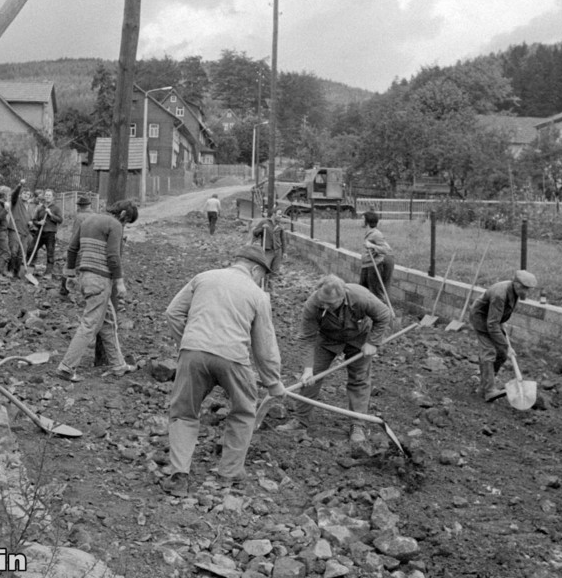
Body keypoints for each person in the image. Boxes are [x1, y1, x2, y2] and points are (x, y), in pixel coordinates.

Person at [160, 245, 285, 496]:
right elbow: (264, 345)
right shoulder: (257, 294)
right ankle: (228, 474)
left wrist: (190, 343)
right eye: (262, 275)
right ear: (254, 269)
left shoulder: (203, 278)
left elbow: (173, 313)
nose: (261, 280)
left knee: (184, 412)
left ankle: (179, 477)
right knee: (243, 412)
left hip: (193, 353)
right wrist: (273, 382)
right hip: (233, 359)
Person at [278, 274, 392, 444]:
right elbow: (307, 338)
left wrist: (372, 343)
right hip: (327, 339)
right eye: (322, 301)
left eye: (330, 303)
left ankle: (357, 424)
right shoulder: (313, 304)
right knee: (312, 377)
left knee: (359, 379)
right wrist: (307, 369)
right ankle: (300, 420)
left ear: (342, 296)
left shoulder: (360, 297)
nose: (324, 305)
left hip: (359, 338)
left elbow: (383, 315)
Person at [55, 199, 140, 382]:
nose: (124, 225)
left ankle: (118, 365)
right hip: (101, 279)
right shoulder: (115, 224)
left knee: (108, 322)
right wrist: (119, 282)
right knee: (90, 324)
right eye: (127, 221)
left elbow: (72, 248)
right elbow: (112, 255)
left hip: (85, 277)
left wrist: (69, 273)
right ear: (124, 215)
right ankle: (66, 367)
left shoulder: (87, 221)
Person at [470, 270, 538, 402]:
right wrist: (507, 346)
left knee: (502, 354)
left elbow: (498, 317)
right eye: (524, 289)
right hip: (481, 319)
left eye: (528, 289)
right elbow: (491, 325)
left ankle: (486, 382)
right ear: (516, 284)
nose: (526, 292)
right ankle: (489, 390)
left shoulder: (514, 291)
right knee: (489, 351)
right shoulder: (500, 294)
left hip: (493, 320)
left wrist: (502, 325)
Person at [358, 210, 395, 307]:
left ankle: (382, 313)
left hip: (375, 265)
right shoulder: (370, 233)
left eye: (362, 219)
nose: (360, 221)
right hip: (368, 264)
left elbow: (387, 250)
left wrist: (371, 246)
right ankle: (366, 313)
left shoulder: (376, 234)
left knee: (375, 292)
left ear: (367, 222)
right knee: (363, 289)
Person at [60, 193, 94, 297]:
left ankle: (64, 292)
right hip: (91, 248)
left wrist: (69, 250)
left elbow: (75, 235)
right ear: (89, 205)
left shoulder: (80, 217)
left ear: (79, 206)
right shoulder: (95, 216)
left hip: (79, 248)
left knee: (68, 269)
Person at [29, 188, 64, 275]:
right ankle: (29, 271)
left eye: (49, 195)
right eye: (46, 195)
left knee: (50, 254)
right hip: (39, 233)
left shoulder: (56, 208)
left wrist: (50, 214)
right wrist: (39, 222)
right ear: (44, 197)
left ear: (53, 197)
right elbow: (34, 220)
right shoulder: (40, 208)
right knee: (31, 250)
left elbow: (60, 220)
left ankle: (48, 273)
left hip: (50, 234)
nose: (47, 197)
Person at [7, 180, 32, 279]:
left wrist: (31, 223)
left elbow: (31, 218)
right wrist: (20, 185)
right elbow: (14, 194)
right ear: (21, 195)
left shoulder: (30, 207)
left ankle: (16, 272)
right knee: (14, 251)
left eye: (28, 194)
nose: (26, 195)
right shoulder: (16, 201)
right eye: (24, 193)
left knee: (21, 254)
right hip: (15, 229)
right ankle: (10, 271)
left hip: (25, 232)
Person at [251, 208, 286, 274]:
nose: (280, 216)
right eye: (279, 214)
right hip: (267, 251)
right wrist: (262, 229)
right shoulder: (264, 222)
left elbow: (283, 239)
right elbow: (255, 233)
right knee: (265, 268)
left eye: (281, 215)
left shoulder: (280, 226)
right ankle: (263, 282)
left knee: (275, 270)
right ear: (273, 214)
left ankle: (272, 283)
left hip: (278, 251)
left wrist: (284, 252)